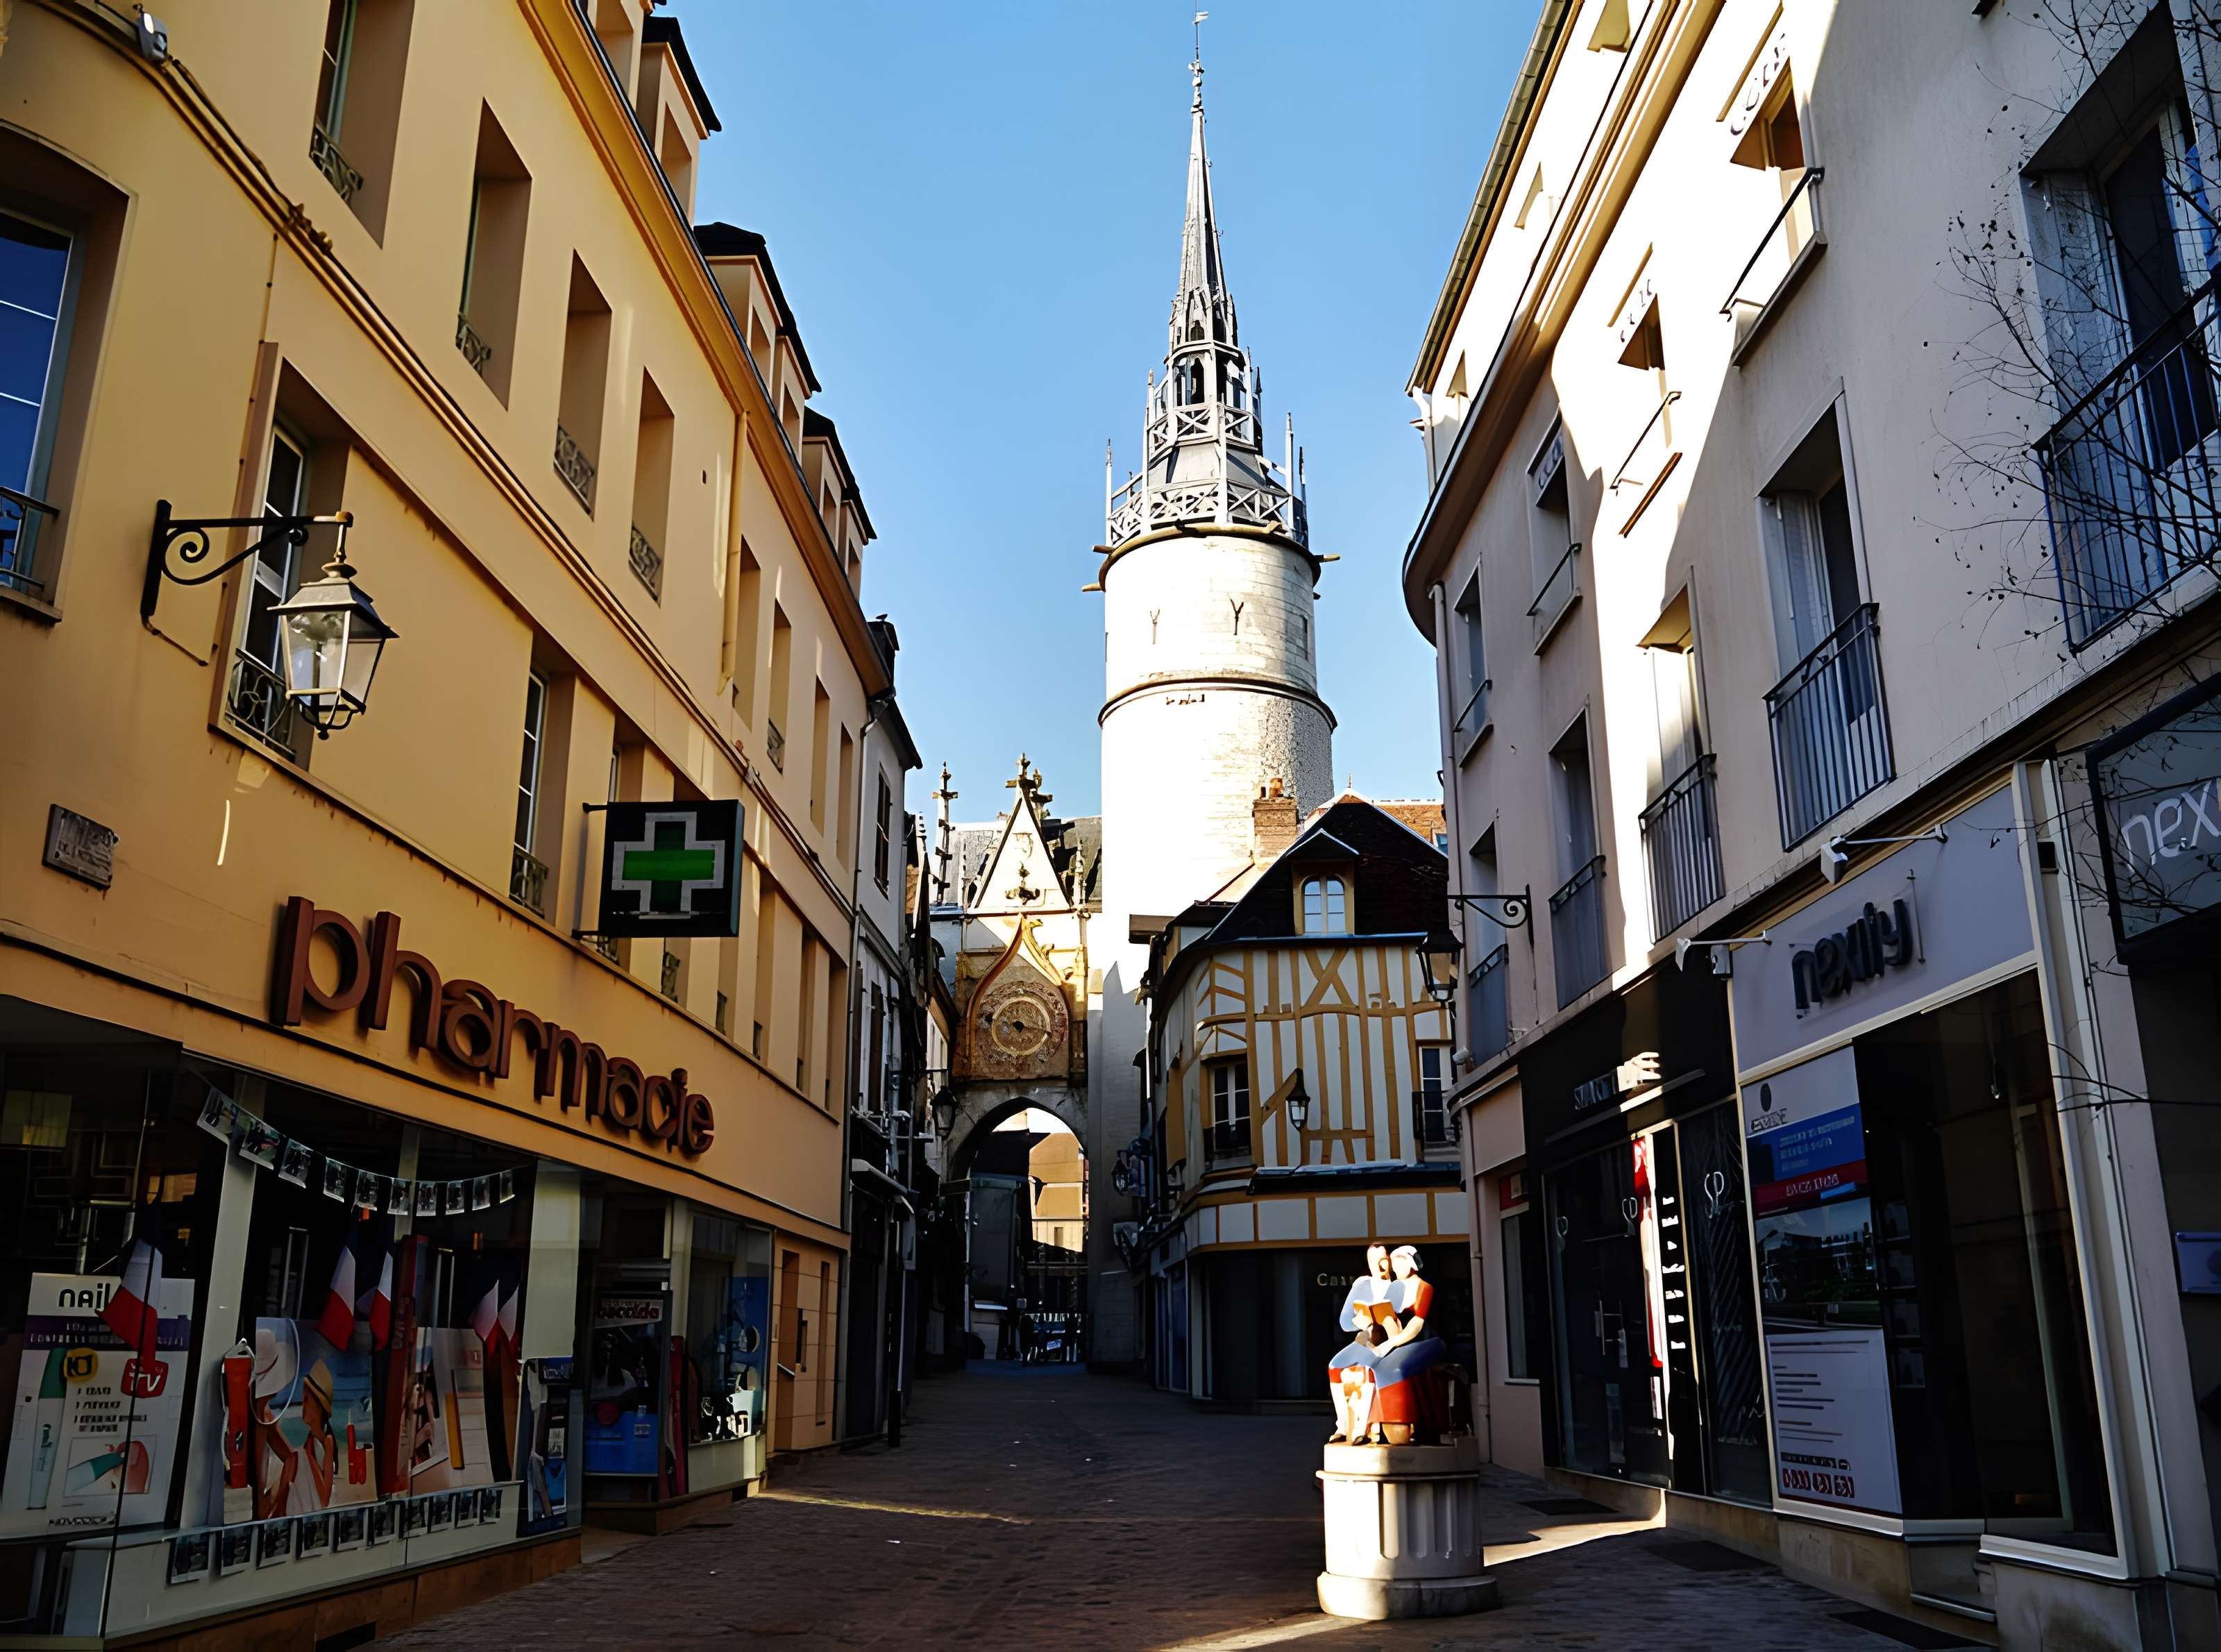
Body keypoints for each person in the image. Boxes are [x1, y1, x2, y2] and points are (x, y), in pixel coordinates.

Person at [1371, 1247, 1449, 1444]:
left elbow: (1416, 1326)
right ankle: (1381, 1425)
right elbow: (1387, 1317)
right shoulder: (1393, 1288)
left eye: (1400, 1263)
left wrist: (1392, 1343)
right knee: (1374, 1365)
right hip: (1398, 1342)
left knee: (1395, 1368)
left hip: (1426, 1341)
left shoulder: (1424, 1288)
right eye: (1394, 1264)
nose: (1396, 1268)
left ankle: (1403, 1422)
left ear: (1412, 1264)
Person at [1326, 1244, 1394, 1443]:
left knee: (1367, 1369)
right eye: (1373, 1261)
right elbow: (1345, 1321)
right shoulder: (1363, 1284)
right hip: (1365, 1338)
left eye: (1382, 1260)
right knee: (1335, 1367)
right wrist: (1362, 1322)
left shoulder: (1397, 1285)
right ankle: (1343, 1425)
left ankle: (1363, 1428)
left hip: (1389, 1340)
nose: (1378, 1266)